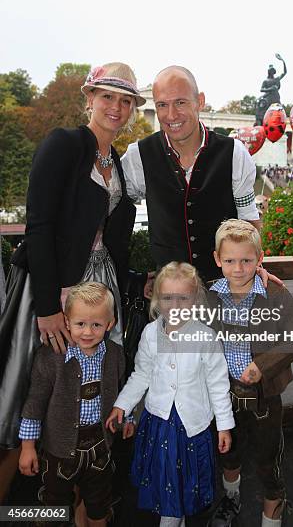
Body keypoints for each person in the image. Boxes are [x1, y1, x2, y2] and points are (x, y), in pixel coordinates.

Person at [0, 62, 143, 451]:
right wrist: (47, 306)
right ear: (90, 99)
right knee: (33, 386)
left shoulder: (119, 162)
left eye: (126, 100)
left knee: (88, 387)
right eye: (108, 96)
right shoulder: (63, 144)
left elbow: (107, 239)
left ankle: (85, 489)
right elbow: (40, 225)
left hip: (101, 287)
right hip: (51, 284)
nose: (116, 107)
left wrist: (131, 280)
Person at [106, 262, 235, 527]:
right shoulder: (150, 334)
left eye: (183, 298)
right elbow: (141, 374)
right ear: (156, 299)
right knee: (168, 488)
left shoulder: (206, 337)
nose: (175, 305)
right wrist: (123, 405)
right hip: (159, 426)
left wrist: (224, 426)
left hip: (191, 429)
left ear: (196, 299)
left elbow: (218, 384)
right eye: (167, 298)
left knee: (180, 489)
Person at [121, 65, 262, 283]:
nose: (171, 114)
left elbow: (248, 220)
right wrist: (133, 279)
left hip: (225, 290)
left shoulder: (235, 153)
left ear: (200, 102)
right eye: (162, 105)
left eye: (180, 102)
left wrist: (255, 266)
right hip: (170, 298)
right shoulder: (137, 156)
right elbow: (113, 213)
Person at [207, 219, 293, 527]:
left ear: (260, 259)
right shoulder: (209, 297)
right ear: (217, 259)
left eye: (247, 260)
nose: (239, 268)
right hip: (224, 395)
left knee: (267, 457)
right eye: (230, 260)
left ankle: (272, 511)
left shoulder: (274, 293)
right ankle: (231, 497)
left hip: (265, 398)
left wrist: (262, 366)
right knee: (228, 451)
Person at [18, 282, 134, 526]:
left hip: (100, 448)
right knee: (55, 505)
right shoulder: (51, 357)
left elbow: (123, 391)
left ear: (110, 324)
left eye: (96, 325)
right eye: (80, 324)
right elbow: (35, 403)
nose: (88, 332)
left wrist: (128, 417)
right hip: (59, 453)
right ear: (66, 321)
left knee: (99, 505)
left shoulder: (114, 355)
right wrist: (28, 447)